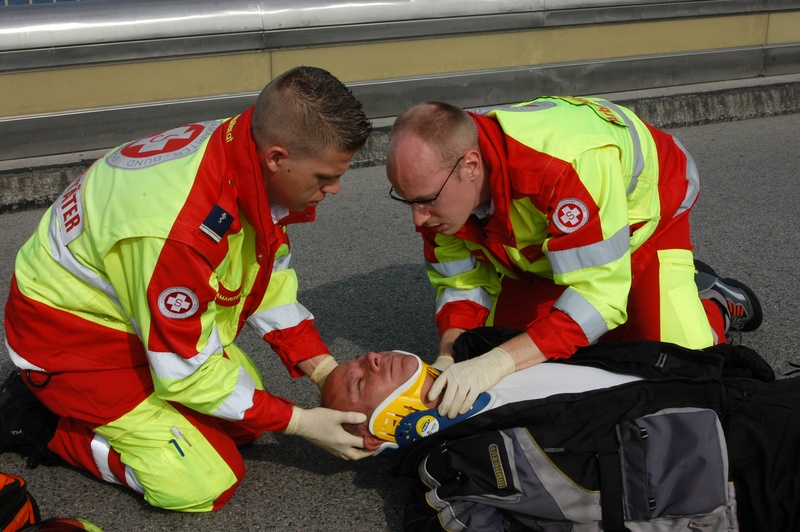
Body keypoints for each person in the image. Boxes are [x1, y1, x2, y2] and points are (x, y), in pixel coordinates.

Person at [0, 66, 374, 512]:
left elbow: (266, 280)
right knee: (202, 482)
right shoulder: (181, 228)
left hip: (129, 311)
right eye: (324, 177)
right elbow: (187, 372)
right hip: (74, 343)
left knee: (246, 422)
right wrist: (298, 422)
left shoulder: (242, 146)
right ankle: (40, 420)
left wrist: (324, 372)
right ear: (277, 157)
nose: (334, 190)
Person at [385, 98, 763, 419]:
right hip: (547, 244)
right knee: (497, 352)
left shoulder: (561, 167)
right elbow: (461, 284)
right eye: (407, 200)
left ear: (470, 166)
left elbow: (596, 299)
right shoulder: (439, 184)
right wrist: (450, 356)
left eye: (425, 200)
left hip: (644, 220)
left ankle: (714, 302)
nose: (418, 218)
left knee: (679, 374)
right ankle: (611, 291)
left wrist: (496, 362)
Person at [321, 329, 800, 531]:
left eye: (364, 357)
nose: (372, 357)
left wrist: (459, 352)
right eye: (360, 379)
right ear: (374, 433)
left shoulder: (482, 351)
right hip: (743, 477)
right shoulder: (453, 482)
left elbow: (577, 321)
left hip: (745, 397)